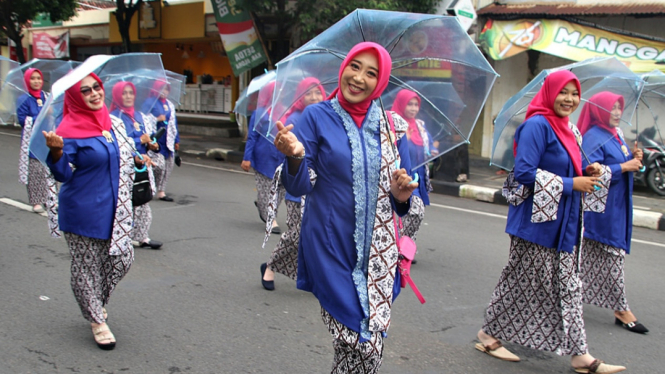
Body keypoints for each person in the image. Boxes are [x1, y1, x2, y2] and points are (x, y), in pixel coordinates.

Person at [274, 42, 418, 373]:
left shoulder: (392, 125)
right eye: (355, 66)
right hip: (330, 244)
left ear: (381, 83)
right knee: (359, 340)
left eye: (372, 72)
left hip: (379, 253)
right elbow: (300, 185)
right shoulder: (317, 116)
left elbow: (406, 199)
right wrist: (295, 155)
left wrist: (400, 193)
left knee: (360, 348)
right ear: (343, 68)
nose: (359, 78)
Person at [476, 70, 626, 373]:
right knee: (535, 285)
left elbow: (572, 165)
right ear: (550, 93)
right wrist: (573, 184)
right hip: (535, 225)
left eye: (574, 94)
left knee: (559, 286)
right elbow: (524, 173)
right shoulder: (537, 126)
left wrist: (590, 168)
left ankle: (494, 335)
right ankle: (577, 355)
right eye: (563, 92)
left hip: (563, 224)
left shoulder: (570, 129)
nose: (569, 99)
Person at [42, 73, 135, 350]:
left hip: (114, 211)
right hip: (82, 211)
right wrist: (57, 153)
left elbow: (120, 158)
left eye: (96, 87)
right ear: (75, 98)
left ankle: (94, 302)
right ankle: (96, 320)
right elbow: (62, 175)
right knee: (86, 268)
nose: (94, 94)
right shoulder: (67, 130)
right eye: (85, 91)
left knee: (124, 258)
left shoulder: (111, 123)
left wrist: (140, 154)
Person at [578, 92, 648, 334]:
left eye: (620, 107)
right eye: (612, 108)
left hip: (617, 206)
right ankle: (621, 309)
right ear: (599, 110)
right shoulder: (593, 137)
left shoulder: (615, 134)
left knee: (586, 260)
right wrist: (624, 166)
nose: (618, 112)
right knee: (612, 257)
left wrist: (633, 158)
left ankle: (561, 293)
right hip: (602, 210)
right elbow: (589, 171)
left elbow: (618, 166)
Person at [261, 77, 325, 290]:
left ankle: (312, 276)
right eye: (309, 93)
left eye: (318, 92)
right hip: (300, 188)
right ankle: (269, 267)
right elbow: (291, 158)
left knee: (316, 236)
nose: (315, 97)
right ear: (300, 96)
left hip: (322, 189)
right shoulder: (295, 119)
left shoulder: (326, 118)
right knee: (296, 234)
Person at [109, 81, 163, 250]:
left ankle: (142, 236)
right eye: (124, 93)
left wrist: (152, 145)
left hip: (141, 164)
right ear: (117, 95)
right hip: (124, 165)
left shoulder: (138, 116)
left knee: (142, 198)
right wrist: (138, 144)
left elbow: (147, 138)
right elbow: (117, 143)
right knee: (124, 201)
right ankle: (119, 235)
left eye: (131, 93)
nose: (128, 96)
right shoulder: (114, 117)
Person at [389, 89, 438, 248]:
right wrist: (404, 140)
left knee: (416, 214)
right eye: (409, 104)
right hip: (402, 176)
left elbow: (428, 145)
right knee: (415, 211)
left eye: (416, 105)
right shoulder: (393, 125)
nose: (413, 108)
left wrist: (432, 150)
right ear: (401, 104)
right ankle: (400, 245)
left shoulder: (420, 126)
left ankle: (406, 247)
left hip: (419, 177)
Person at [241, 81, 285, 234]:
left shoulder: (285, 111)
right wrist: (247, 158)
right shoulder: (260, 113)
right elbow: (252, 137)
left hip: (281, 158)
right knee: (268, 189)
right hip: (263, 158)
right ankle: (271, 220)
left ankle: (262, 205)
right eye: (275, 91)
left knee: (282, 189)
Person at [17, 68, 52, 213]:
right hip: (32, 140)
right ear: (27, 80)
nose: (37, 81)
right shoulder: (23, 99)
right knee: (35, 171)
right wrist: (42, 115)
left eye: (39, 78)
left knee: (49, 170)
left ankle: (50, 199)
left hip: (47, 139)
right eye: (33, 78)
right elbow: (22, 120)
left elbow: (55, 114)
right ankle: (37, 201)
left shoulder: (47, 97)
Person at [143, 81, 179, 202]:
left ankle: (161, 191)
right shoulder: (150, 102)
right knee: (159, 166)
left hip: (168, 139)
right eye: (161, 89)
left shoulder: (170, 105)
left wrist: (176, 140)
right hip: (156, 140)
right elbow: (143, 118)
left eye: (166, 89)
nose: (164, 92)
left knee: (169, 165)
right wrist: (157, 119)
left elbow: (174, 123)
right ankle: (150, 186)